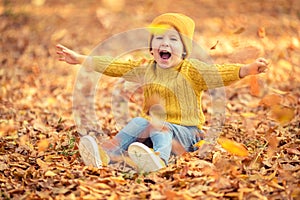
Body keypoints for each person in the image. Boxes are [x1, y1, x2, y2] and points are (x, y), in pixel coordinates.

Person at [56, 13, 269, 172]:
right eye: (159, 38)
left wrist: (247, 69)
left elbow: (219, 72)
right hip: (154, 129)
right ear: (152, 48)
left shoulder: (192, 70)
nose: (165, 42)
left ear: (184, 50)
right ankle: (105, 154)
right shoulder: (146, 69)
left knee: (159, 126)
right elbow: (115, 65)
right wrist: (81, 59)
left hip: (187, 133)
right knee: (139, 122)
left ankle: (159, 160)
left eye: (173, 39)